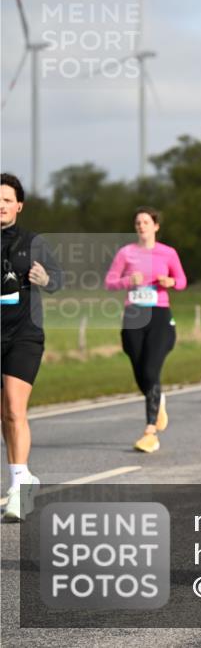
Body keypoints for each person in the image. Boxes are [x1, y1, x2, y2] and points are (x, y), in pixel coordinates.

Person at [1, 173, 62, 520]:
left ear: (19, 206)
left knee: (13, 406)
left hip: (25, 334)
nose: (1, 205)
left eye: (7, 199)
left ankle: (18, 484)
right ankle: (22, 479)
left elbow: (58, 279)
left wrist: (46, 279)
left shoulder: (32, 241)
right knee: (5, 415)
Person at [105, 207, 187, 453]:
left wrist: (170, 282)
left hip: (159, 316)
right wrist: (129, 281)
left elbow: (182, 281)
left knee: (151, 369)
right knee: (141, 372)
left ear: (155, 226)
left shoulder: (168, 253)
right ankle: (157, 398)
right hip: (133, 316)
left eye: (146, 222)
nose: (141, 226)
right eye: (138, 222)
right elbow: (109, 283)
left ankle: (150, 431)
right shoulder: (125, 253)